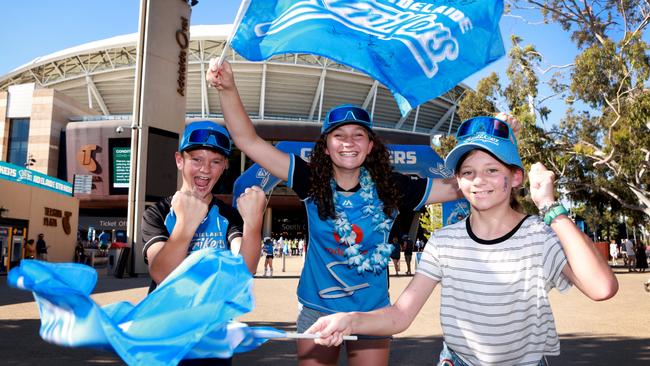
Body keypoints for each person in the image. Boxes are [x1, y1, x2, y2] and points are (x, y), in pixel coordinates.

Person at [306, 115, 618, 366]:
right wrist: (350, 320)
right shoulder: (444, 242)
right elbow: (401, 315)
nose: (479, 180)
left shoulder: (538, 236)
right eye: (468, 171)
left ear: (516, 177)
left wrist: (551, 208)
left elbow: (601, 288)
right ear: (457, 180)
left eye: (492, 170)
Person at [208, 60, 462, 366]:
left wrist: (498, 148)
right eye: (339, 135)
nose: (349, 143)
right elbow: (248, 140)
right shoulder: (310, 180)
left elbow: (459, 187)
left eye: (358, 135)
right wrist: (228, 88)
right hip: (317, 308)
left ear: (370, 146)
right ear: (326, 146)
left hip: (373, 314)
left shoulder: (392, 187)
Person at [141, 120, 265, 366]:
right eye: (196, 159)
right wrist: (185, 226)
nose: (205, 170)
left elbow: (244, 271)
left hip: (212, 336)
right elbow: (161, 273)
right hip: (164, 334)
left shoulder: (227, 215)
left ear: (224, 167)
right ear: (180, 161)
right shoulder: (158, 212)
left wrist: (254, 224)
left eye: (215, 162)